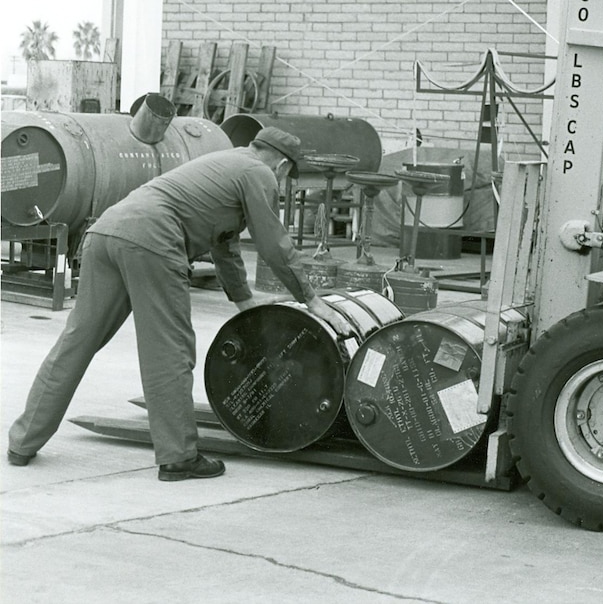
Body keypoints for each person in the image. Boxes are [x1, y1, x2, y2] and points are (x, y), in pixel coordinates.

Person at [7, 126, 353, 480]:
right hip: (154, 240)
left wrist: (244, 302)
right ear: (282, 165)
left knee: (75, 343)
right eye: (286, 175)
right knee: (169, 350)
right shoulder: (260, 173)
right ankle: (178, 456)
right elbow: (274, 244)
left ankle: (23, 441)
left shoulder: (225, 164)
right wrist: (312, 299)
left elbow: (225, 245)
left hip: (105, 234)